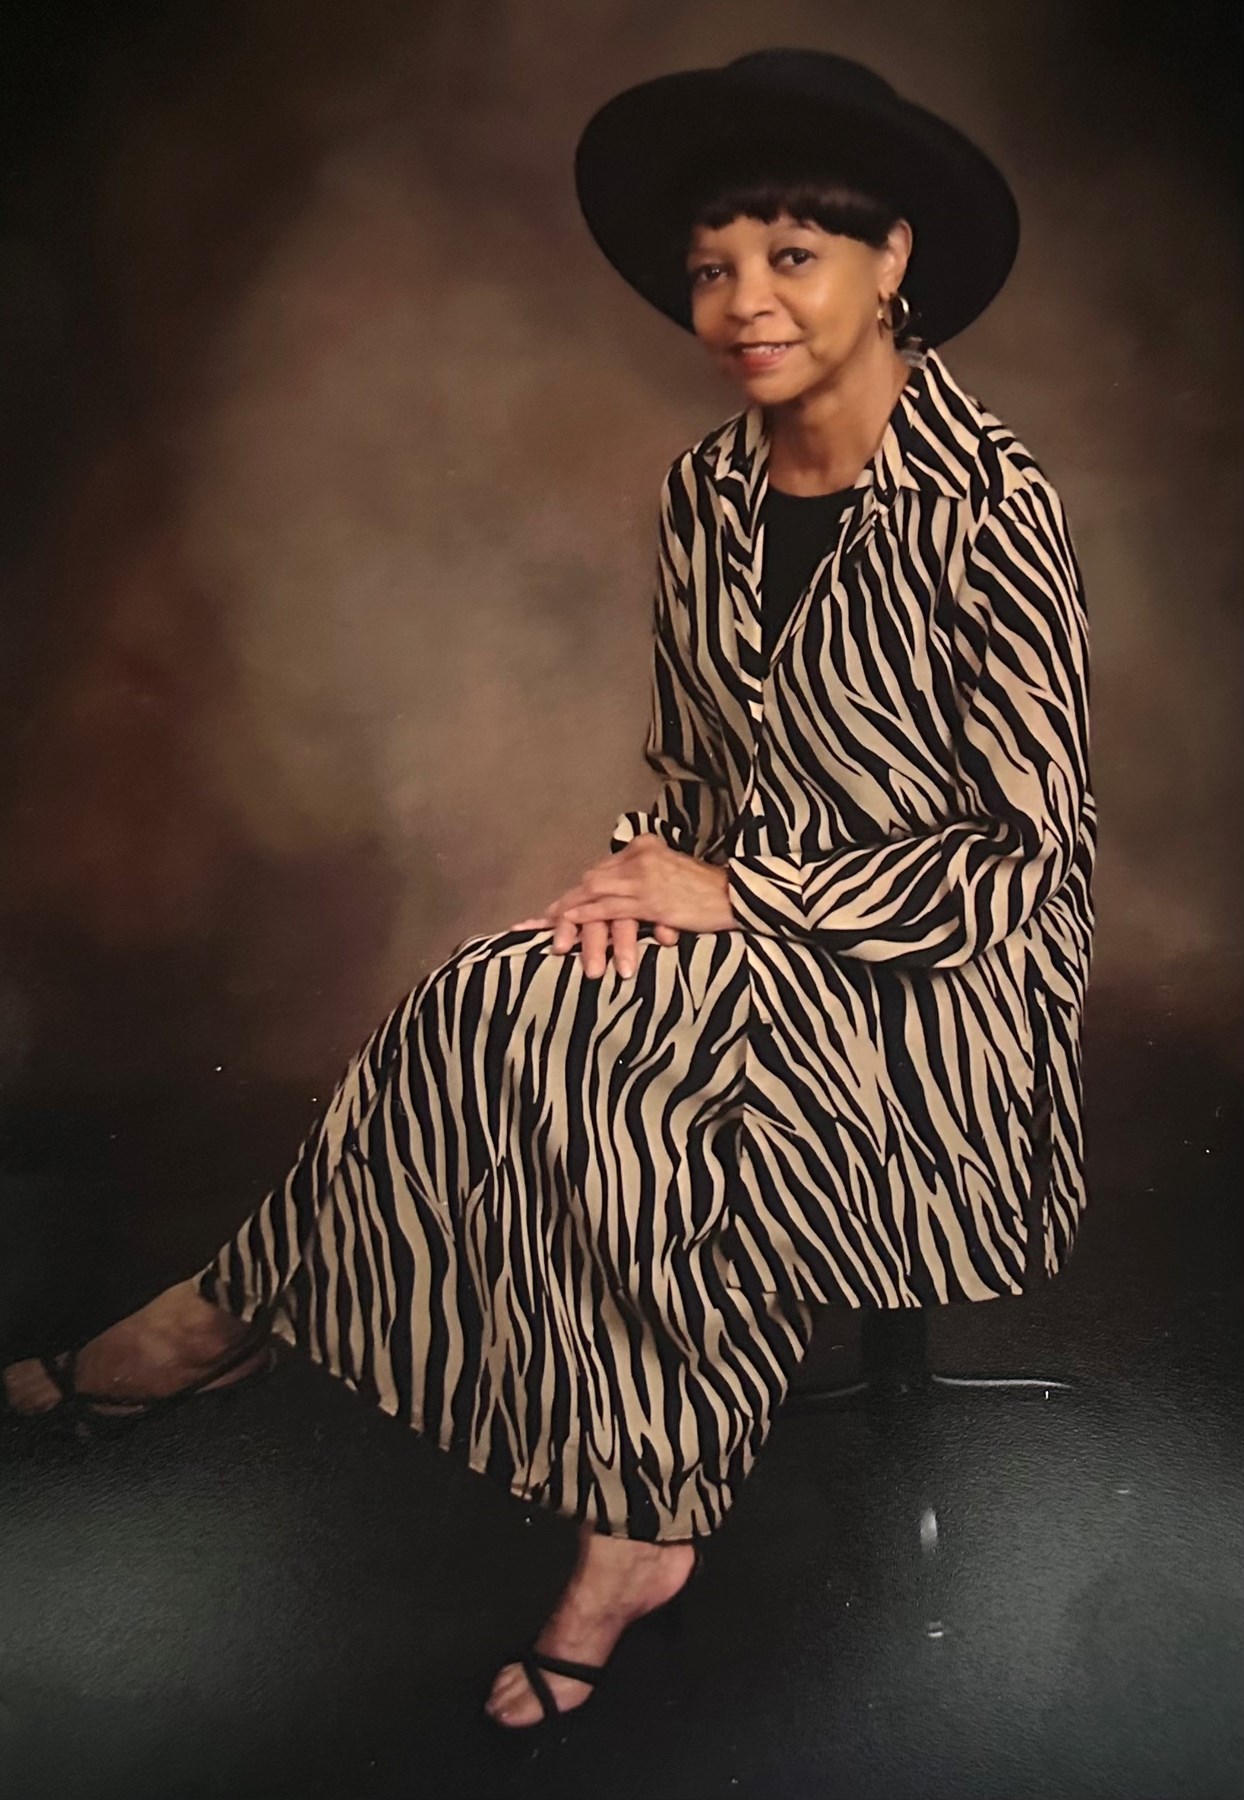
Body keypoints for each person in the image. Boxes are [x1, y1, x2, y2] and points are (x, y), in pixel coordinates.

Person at [1, 49, 1095, 1729]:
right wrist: (628, 886)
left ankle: (635, 1524)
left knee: (628, 1077)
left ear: (894, 263)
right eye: (711, 269)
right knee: (490, 995)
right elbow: (694, 771)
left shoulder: (992, 510)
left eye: (792, 255)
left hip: (936, 999)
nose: (742, 302)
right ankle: (224, 1320)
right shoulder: (708, 492)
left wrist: (732, 899)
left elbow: (1022, 856)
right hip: (748, 930)